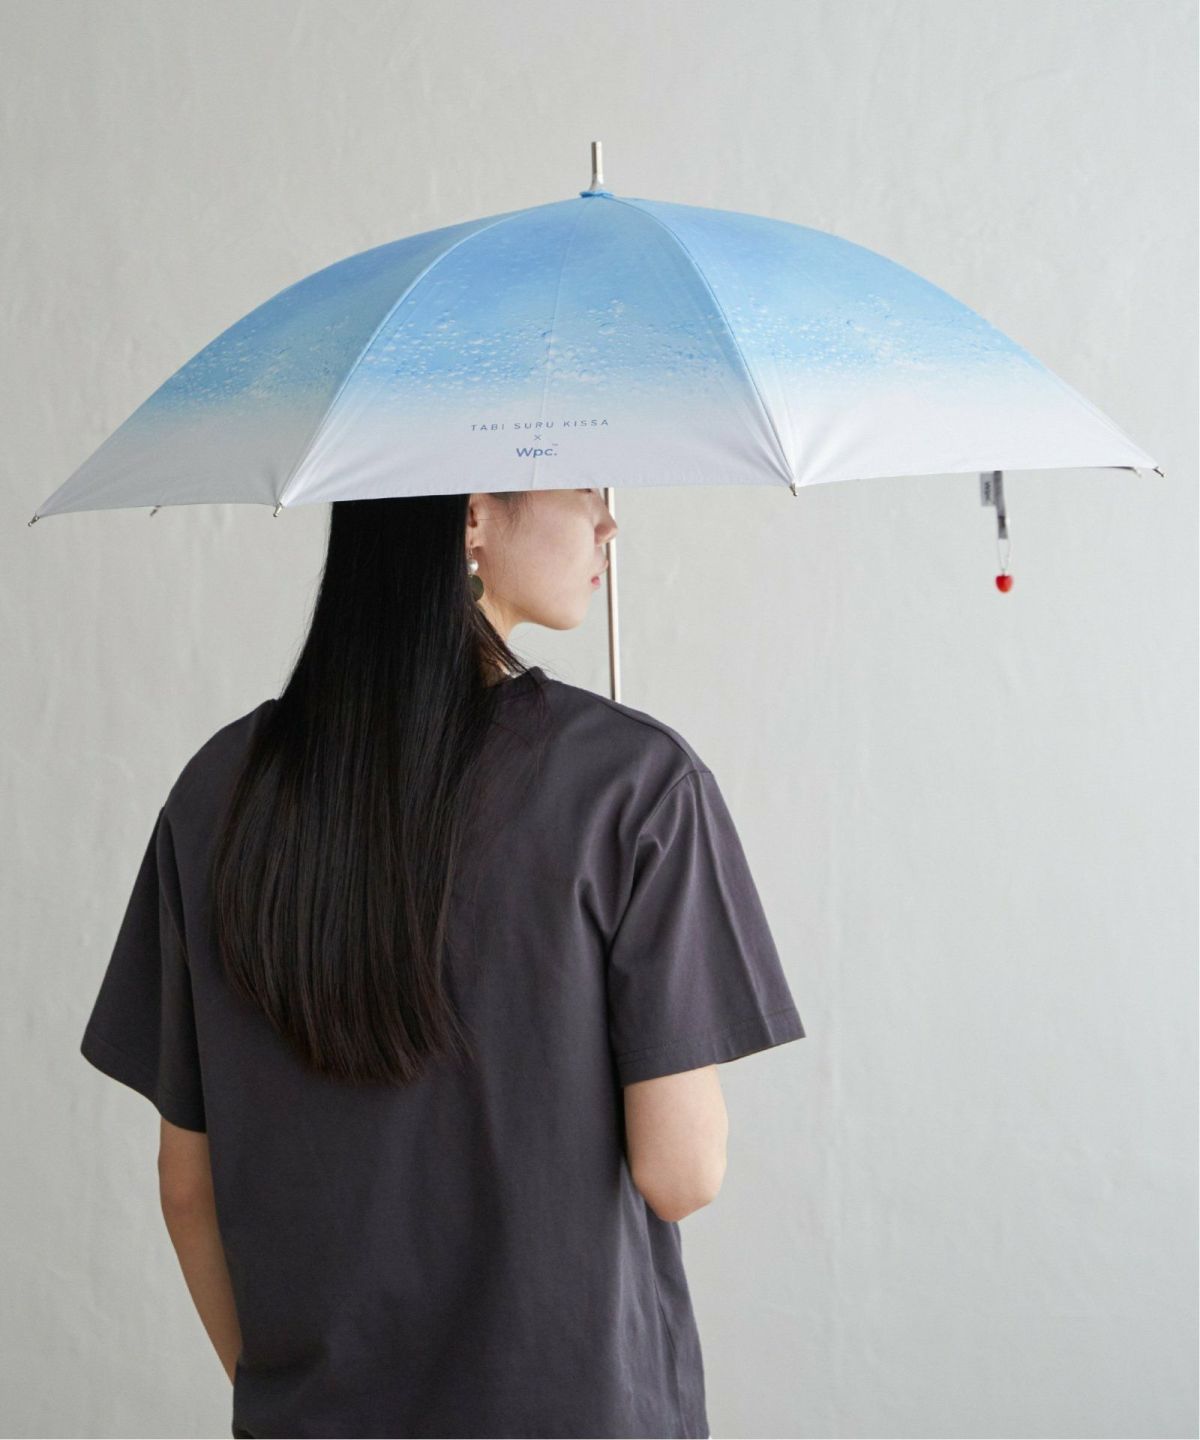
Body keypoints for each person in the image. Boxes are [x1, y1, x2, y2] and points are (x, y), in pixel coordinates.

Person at [79, 488, 807, 1440]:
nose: (608, 522)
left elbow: (187, 1190)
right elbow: (683, 1172)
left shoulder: (217, 788)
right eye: (582, 483)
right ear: (473, 516)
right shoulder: (634, 784)